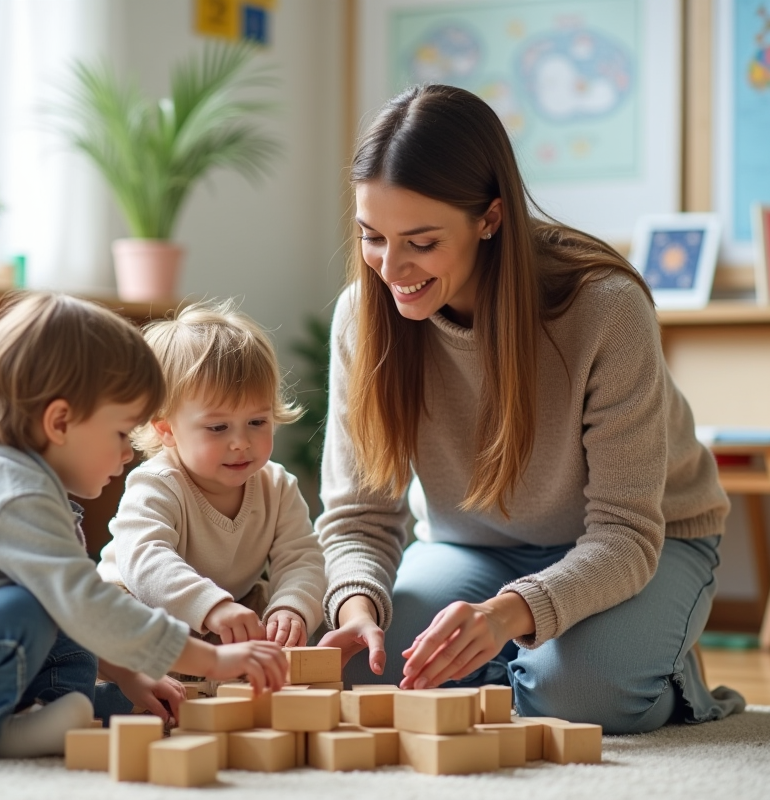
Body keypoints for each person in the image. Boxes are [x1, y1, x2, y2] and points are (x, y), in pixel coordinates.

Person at [315, 84, 745, 735]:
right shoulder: (362, 318)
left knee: (579, 699)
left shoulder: (603, 306)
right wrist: (355, 605)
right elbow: (359, 516)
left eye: (421, 242)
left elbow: (626, 534)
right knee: (366, 668)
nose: (391, 268)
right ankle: (533, 663)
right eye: (372, 236)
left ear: (489, 218)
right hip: (476, 548)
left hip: (646, 541)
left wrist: (505, 616)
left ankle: (656, 666)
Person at [0, 293, 287, 760]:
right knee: (42, 603)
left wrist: (126, 673)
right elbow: (84, 604)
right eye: (121, 433)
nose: (128, 455)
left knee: (54, 598)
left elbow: (71, 608)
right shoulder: (10, 494)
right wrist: (211, 660)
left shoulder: (24, 485)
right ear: (60, 422)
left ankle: (45, 710)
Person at [98, 299, 326, 649]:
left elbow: (302, 558)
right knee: (116, 615)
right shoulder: (157, 484)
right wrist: (211, 606)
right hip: (141, 605)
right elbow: (146, 560)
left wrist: (292, 608)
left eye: (256, 422)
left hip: (225, 612)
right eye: (218, 427)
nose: (241, 443)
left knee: (273, 609)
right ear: (166, 431)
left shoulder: (276, 486)